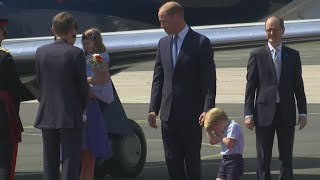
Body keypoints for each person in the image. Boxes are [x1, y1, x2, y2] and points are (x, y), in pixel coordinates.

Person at [147, 1, 216, 179]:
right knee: (171, 159)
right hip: (168, 113)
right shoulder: (162, 43)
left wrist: (207, 109)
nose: (161, 26)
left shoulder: (200, 42)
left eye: (164, 21)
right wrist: (153, 108)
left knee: (192, 159)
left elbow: (209, 80)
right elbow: (158, 78)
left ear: (177, 17)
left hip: (192, 113)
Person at [244, 16, 307, 180]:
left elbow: (298, 86)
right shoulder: (256, 55)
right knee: (263, 157)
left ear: (283, 31)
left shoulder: (293, 55)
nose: (271, 33)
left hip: (286, 113)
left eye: (275, 29)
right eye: (268, 30)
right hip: (264, 113)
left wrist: (303, 112)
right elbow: (250, 87)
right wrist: (248, 113)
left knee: (286, 157)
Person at [34, 12, 89, 180]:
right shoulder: (75, 53)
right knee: (69, 161)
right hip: (70, 115)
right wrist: (82, 108)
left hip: (47, 114)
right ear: (72, 30)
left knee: (49, 162)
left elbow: (40, 82)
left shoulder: (40, 52)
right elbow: (82, 86)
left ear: (53, 30)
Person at [80, 28, 113, 180]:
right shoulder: (89, 56)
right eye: (84, 44)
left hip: (96, 94)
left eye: (88, 43)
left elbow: (101, 76)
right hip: (93, 94)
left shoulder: (95, 57)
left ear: (95, 42)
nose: (86, 46)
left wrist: (88, 79)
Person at [0, 14, 24, 180]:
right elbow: (15, 90)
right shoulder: (4, 56)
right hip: (2, 112)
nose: (4, 36)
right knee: (4, 160)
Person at [203, 108, 244, 180]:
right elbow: (212, 141)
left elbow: (230, 144)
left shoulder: (233, 126)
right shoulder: (222, 128)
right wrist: (207, 129)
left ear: (220, 121)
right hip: (225, 159)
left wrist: (220, 135)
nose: (214, 130)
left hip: (234, 160)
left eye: (214, 127)